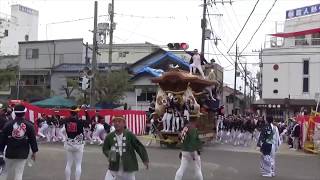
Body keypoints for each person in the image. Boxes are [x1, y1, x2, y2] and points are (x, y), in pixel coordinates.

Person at [103, 115, 149, 180]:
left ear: (124, 123)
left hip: (129, 165)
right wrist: (110, 154)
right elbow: (105, 149)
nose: (117, 123)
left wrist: (145, 159)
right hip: (114, 165)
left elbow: (139, 146)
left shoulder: (130, 135)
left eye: (119, 121)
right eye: (115, 122)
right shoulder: (109, 136)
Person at [0, 104, 38, 180]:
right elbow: (32, 140)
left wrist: (1, 151)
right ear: (24, 113)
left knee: (4, 171)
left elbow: (2, 140)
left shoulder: (8, 124)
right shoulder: (29, 125)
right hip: (23, 153)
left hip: (9, 152)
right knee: (19, 173)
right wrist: (34, 152)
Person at [64, 106, 88, 180]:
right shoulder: (80, 121)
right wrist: (86, 111)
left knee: (68, 164)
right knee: (78, 164)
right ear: (77, 113)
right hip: (78, 144)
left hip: (69, 143)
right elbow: (89, 121)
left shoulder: (66, 120)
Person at [175, 116, 203, 180]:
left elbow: (181, 139)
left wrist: (181, 150)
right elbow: (193, 141)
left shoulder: (186, 127)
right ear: (195, 119)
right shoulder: (193, 128)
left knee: (181, 169)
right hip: (192, 151)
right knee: (198, 169)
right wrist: (195, 151)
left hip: (184, 150)